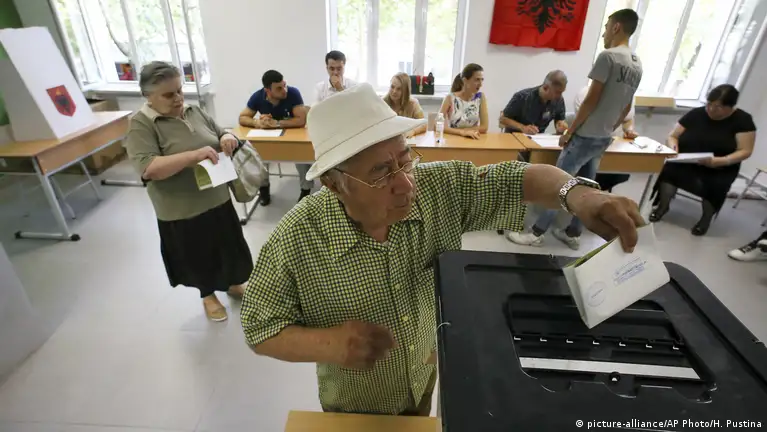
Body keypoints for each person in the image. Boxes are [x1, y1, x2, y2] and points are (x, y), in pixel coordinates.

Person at [240, 83, 643, 416]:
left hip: (424, 377)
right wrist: (327, 345)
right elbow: (260, 327)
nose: (406, 184)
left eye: (405, 160)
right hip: (353, 405)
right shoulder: (298, 238)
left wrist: (578, 195)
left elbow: (517, 179)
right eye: (380, 173)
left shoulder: (438, 190)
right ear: (334, 184)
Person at [126, 61, 252, 322]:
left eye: (180, 90)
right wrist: (193, 156)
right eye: (168, 94)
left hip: (216, 197)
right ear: (148, 96)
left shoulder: (194, 111)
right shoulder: (141, 124)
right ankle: (208, 296)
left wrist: (227, 138)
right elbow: (148, 168)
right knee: (198, 255)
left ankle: (231, 283)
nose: (178, 98)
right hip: (182, 209)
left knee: (227, 246)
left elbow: (220, 132)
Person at [507, 8, 642, 250]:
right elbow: (626, 106)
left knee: (560, 186)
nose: (604, 34)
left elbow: (591, 100)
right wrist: (611, 127)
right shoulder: (637, 64)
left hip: (585, 136)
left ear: (616, 27)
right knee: (589, 186)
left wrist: (570, 132)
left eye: (606, 28)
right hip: (604, 136)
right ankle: (572, 232)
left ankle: (536, 233)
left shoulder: (608, 57)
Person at [649, 84, 756, 236]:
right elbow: (673, 135)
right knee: (669, 171)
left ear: (730, 107)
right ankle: (662, 207)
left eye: (718, 107)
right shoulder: (696, 114)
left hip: (720, 167)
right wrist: (673, 148)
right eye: (709, 104)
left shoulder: (743, 121)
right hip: (687, 161)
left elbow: (745, 151)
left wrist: (720, 161)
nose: (711, 109)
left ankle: (705, 219)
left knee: (716, 185)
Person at [239, 70, 311, 203]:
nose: (284, 90)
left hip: (293, 136)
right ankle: (264, 188)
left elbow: (301, 120)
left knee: (301, 156)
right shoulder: (257, 96)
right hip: (270, 138)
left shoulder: (293, 93)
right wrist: (257, 123)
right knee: (258, 154)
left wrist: (276, 123)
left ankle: (305, 190)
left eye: (284, 85)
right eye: (279, 88)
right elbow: (242, 117)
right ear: (267, 90)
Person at [574, 83, 639, 192]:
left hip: (614, 148)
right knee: (588, 174)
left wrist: (629, 130)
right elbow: (584, 121)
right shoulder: (585, 94)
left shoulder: (627, 95)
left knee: (620, 172)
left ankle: (595, 194)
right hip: (591, 142)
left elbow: (628, 119)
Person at [500, 70, 568, 135]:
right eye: (557, 92)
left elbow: (559, 120)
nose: (560, 96)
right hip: (515, 137)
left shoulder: (559, 100)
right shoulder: (522, 97)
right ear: (545, 87)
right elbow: (503, 119)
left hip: (538, 139)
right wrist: (523, 127)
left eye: (562, 92)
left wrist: (560, 126)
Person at [438, 63, 488, 139]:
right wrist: (462, 132)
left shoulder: (480, 97)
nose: (480, 84)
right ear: (465, 80)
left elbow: (484, 127)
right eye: (477, 80)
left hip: (473, 138)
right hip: (453, 139)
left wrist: (466, 132)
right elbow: (438, 124)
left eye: (482, 80)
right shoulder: (450, 98)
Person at [383, 72, 427, 137]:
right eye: (392, 87)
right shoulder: (382, 102)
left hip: (406, 140)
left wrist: (413, 131)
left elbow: (424, 124)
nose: (394, 91)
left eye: (399, 89)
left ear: (405, 91)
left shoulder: (413, 103)